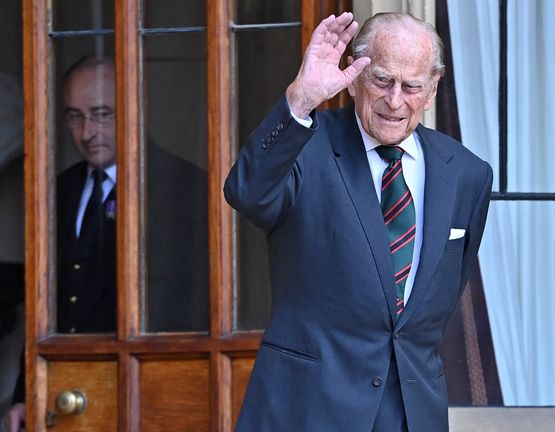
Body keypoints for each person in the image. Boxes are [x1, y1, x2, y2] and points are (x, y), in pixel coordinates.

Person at [225, 11, 492, 431]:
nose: (395, 100)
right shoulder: (306, 144)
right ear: (354, 77)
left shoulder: (467, 174)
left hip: (411, 413)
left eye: (412, 86)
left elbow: (433, 299)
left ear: (433, 88)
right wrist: (300, 99)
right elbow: (247, 193)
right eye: (382, 80)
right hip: (306, 408)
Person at [3, 56, 209, 432]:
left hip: (149, 394)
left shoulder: (183, 186)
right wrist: (24, 393)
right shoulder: (58, 191)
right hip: (66, 397)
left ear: (134, 107)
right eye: (75, 116)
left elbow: (187, 304)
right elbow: (42, 307)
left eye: (101, 114)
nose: (87, 132)